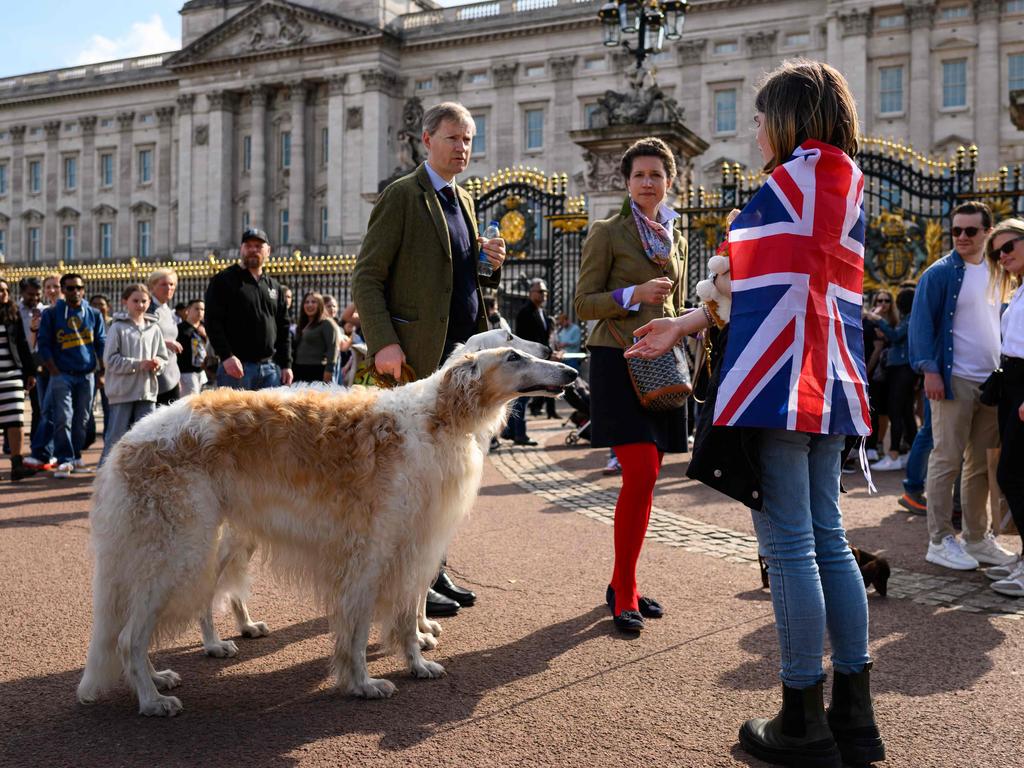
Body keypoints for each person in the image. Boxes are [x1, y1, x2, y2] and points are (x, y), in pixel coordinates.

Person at [626, 61, 885, 767]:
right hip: (831, 380)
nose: (757, 130)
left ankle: (802, 715)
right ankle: (854, 714)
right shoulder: (851, 181)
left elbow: (737, 276)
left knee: (791, 547)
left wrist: (685, 320)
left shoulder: (792, 180)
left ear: (792, 119)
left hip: (781, 381)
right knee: (829, 539)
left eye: (763, 116)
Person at [353, 100, 506, 618]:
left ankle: (431, 573)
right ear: (427, 140)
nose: (462, 148)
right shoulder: (402, 196)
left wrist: (487, 266)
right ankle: (410, 581)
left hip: (456, 356)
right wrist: (383, 342)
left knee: (443, 478)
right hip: (416, 357)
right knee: (412, 479)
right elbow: (367, 276)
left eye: (468, 140)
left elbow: (458, 281)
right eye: (453, 138)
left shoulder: (462, 199)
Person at [574, 136, 688, 634]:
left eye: (656, 175)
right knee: (639, 471)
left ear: (669, 182)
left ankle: (626, 581)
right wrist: (632, 293)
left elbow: (675, 306)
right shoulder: (608, 232)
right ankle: (624, 589)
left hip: (660, 361)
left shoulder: (676, 237)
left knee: (649, 477)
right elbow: (583, 303)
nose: (647, 182)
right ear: (626, 181)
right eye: (639, 174)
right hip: (617, 356)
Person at [909, 201, 1017, 571]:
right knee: (947, 459)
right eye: (956, 230)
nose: (962, 237)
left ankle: (976, 538)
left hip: (990, 382)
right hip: (952, 379)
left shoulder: (998, 270)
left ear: (987, 232)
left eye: (971, 231)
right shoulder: (939, 274)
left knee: (980, 467)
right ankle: (939, 540)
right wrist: (929, 371)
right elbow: (919, 324)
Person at [983, 219, 1024, 596]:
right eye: (997, 253)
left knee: (1014, 474)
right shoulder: (1019, 287)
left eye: (1009, 246)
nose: (1003, 256)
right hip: (1011, 382)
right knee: (1013, 473)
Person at [204, 228, 293, 391]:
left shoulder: (274, 286)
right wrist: (226, 356)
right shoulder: (224, 280)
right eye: (248, 245)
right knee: (234, 416)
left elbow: (283, 327)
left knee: (269, 417)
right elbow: (212, 321)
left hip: (270, 369)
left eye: (258, 246)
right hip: (236, 367)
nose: (253, 250)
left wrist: (286, 364)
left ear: (268, 251)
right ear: (241, 249)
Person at [36, 273, 106, 479]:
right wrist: (54, 369)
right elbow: (44, 343)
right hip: (62, 374)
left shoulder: (93, 314)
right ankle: (64, 459)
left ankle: (76, 456)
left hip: (87, 374)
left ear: (84, 289)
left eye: (79, 288)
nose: (75, 292)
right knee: (62, 417)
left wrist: (102, 371)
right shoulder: (51, 313)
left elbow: (101, 343)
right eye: (70, 288)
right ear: (63, 291)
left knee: (82, 418)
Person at [100, 284, 168, 465]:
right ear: (125, 302)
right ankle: (104, 473)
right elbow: (110, 360)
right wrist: (138, 365)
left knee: (147, 437)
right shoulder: (117, 327)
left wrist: (158, 364)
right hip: (122, 392)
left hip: (147, 391)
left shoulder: (154, 328)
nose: (140, 305)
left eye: (144, 301)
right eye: (135, 301)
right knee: (116, 436)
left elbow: (163, 356)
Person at [869, 287, 918, 471]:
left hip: (902, 369)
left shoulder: (911, 317)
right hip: (904, 369)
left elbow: (897, 336)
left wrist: (879, 321)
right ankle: (911, 452)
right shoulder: (910, 317)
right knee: (905, 412)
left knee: (896, 410)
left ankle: (894, 453)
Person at [0, 278, 38, 481]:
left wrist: (30, 372)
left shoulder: (12, 315)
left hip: (12, 374)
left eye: (5, 290)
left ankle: (17, 463)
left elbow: (23, 344)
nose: (4, 293)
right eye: (0, 290)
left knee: (16, 420)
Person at [147, 269, 183, 406]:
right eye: (164, 284)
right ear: (152, 286)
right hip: (155, 374)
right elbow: (140, 336)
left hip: (171, 373)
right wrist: (164, 343)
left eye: (172, 284)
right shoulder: (148, 308)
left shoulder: (167, 309)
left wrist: (176, 376)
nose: (169, 288)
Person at [293, 291, 340, 384]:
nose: (310, 305)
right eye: (307, 302)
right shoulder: (302, 324)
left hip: (317, 371)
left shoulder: (327, 323)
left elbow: (333, 348)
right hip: (299, 370)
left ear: (320, 305)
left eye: (314, 302)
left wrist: (329, 370)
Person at [176, 298, 208, 397]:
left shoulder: (204, 327)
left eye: (202, 309)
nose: (200, 312)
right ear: (188, 310)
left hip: (201, 372)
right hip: (186, 373)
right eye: (197, 309)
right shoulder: (180, 328)